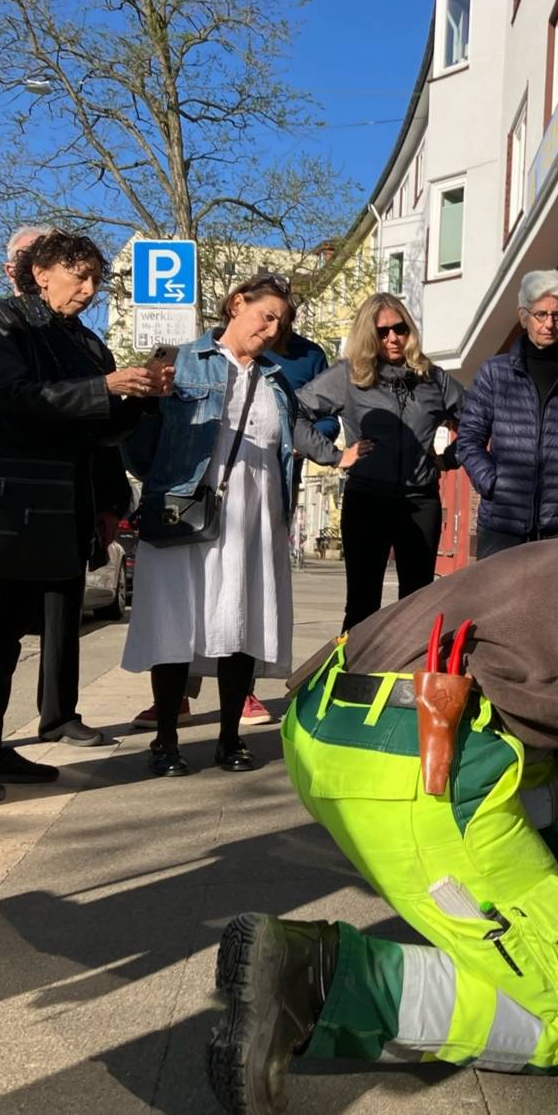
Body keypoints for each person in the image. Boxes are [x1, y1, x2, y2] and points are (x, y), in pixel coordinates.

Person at [206, 458, 558, 1115]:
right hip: (409, 761)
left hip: (329, 724)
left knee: (539, 769)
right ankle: (312, 978)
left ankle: (555, 925)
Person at [0, 231, 161, 803]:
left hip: (46, 496)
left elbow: (102, 433)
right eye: (79, 276)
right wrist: (104, 387)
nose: (90, 289)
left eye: (96, 278)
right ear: (40, 272)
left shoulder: (88, 344)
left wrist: (139, 398)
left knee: (6, 630)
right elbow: (13, 395)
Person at [121, 275, 353, 777]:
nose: (272, 330)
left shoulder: (275, 380)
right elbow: (140, 440)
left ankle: (229, 739)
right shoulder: (180, 361)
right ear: (235, 305)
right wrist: (163, 480)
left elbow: (286, 445)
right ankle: (165, 741)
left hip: (255, 517)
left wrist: (334, 453)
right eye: (265, 316)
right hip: (189, 511)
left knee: (240, 622)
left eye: (281, 322)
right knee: (177, 623)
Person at [297, 293, 463, 629]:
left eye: (400, 329)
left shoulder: (433, 378)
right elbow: (291, 412)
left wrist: (450, 458)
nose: (393, 338)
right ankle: (352, 680)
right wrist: (335, 455)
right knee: (362, 604)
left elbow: (480, 419)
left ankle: (407, 680)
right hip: (368, 500)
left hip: (420, 501)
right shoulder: (348, 375)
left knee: (418, 604)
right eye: (382, 332)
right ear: (368, 335)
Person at [455, 270, 558, 558]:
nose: (550, 323)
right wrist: (491, 482)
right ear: (523, 315)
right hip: (502, 522)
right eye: (541, 314)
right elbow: (469, 439)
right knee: (496, 602)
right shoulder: (495, 373)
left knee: (552, 603)